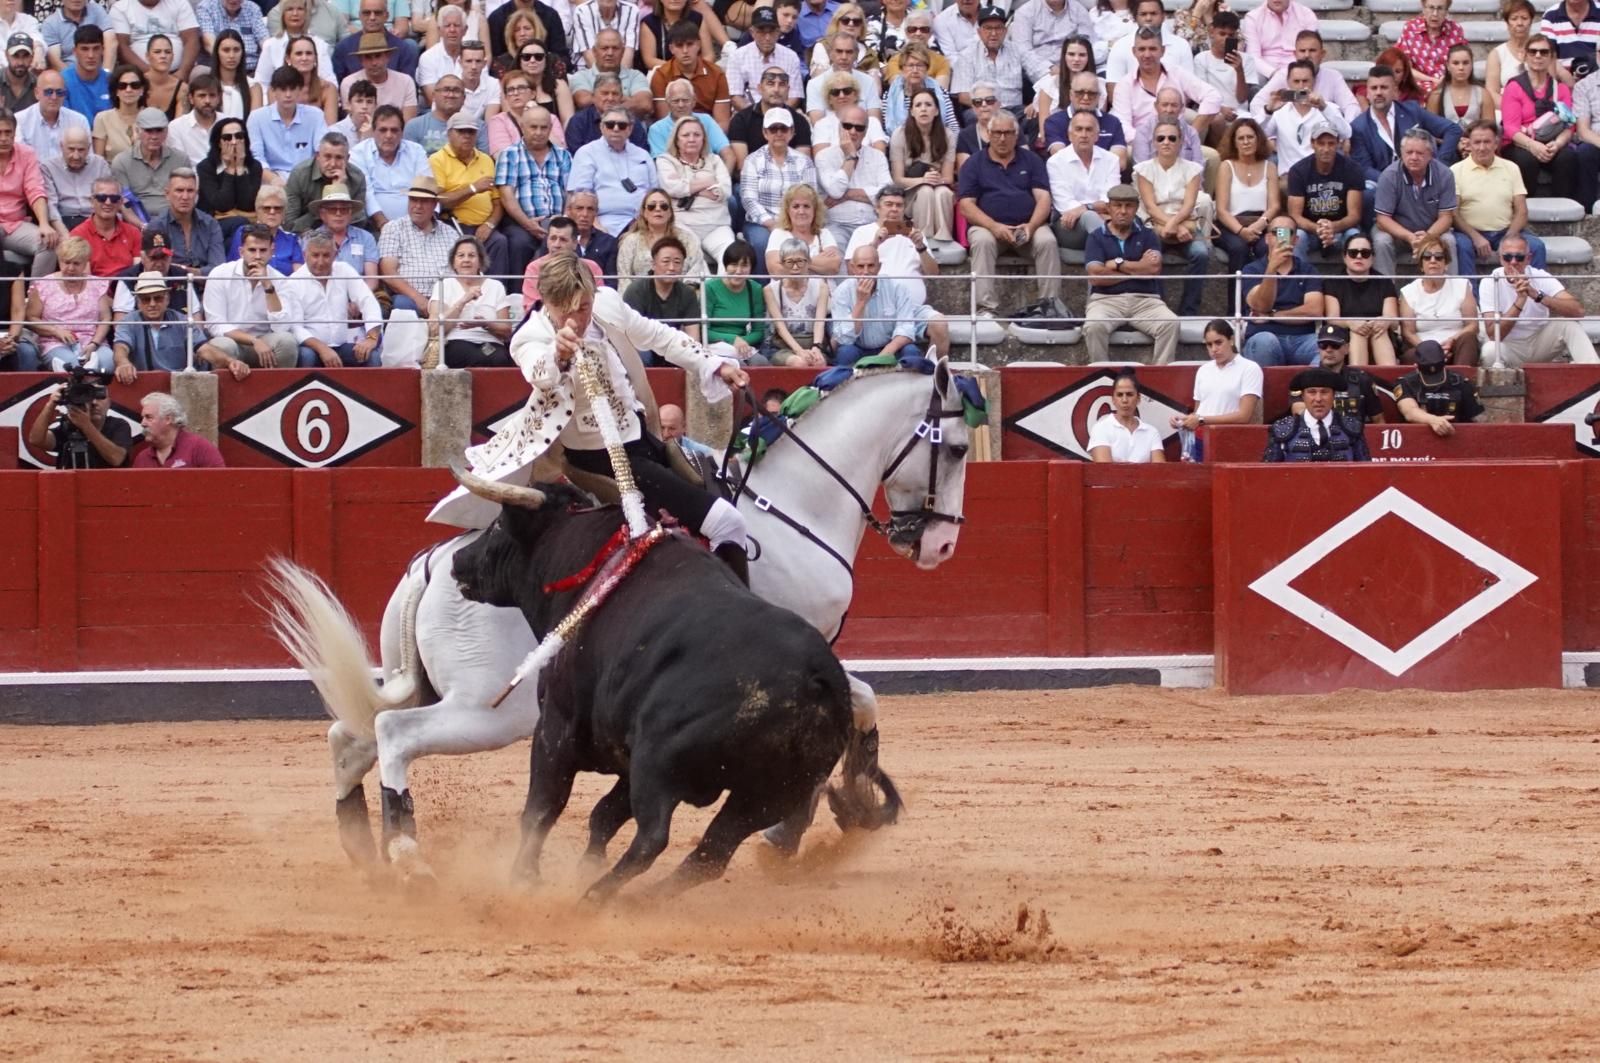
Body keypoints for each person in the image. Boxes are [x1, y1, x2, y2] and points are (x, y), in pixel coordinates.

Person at [439, 251, 752, 579]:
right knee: (728, 522)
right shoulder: (530, 337)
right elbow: (541, 374)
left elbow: (657, 335)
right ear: (547, 302)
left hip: (644, 438)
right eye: (566, 310)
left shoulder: (607, 303)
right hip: (600, 460)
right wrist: (557, 354)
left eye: (585, 306)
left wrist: (715, 363)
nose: (579, 317)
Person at [957, 110, 1061, 320]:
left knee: (1047, 240)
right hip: (989, 228)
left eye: (1007, 133)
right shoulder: (974, 163)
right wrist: (994, 226)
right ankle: (986, 309)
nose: (1002, 138)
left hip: (1028, 227)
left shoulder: (1032, 160)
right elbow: (966, 205)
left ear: (1016, 135)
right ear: (988, 133)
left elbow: (1043, 199)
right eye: (997, 133)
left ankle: (1050, 306)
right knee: (982, 241)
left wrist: (1030, 227)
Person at [1080, 182, 1180, 363]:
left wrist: (1117, 264)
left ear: (1136, 208)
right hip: (1105, 301)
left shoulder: (1148, 235)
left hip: (1146, 301)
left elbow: (1153, 269)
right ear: (1109, 208)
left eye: (1129, 206)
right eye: (1118, 205)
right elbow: (1095, 277)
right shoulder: (1096, 236)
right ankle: (1101, 374)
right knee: (1094, 326)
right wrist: (1137, 269)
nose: (1123, 211)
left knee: (1170, 323)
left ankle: (1159, 378)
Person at [1479, 234, 1600, 368]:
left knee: (1569, 325)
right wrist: (1520, 301)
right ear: (1500, 258)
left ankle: (1594, 374)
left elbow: (1578, 311)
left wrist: (1537, 295)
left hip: (1539, 342)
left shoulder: (1540, 276)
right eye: (1508, 257)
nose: (1513, 262)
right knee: (1489, 350)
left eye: (1519, 257)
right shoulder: (1489, 282)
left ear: (1528, 258)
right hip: (1509, 346)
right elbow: (1494, 334)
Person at [1132, 118, 1210, 320]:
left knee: (1201, 253)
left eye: (1171, 138)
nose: (1166, 142)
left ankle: (1189, 311)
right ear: (1154, 142)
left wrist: (1175, 225)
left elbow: (1189, 204)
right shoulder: (1144, 169)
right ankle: (1160, 308)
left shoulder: (1192, 169)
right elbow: (1150, 206)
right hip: (1154, 224)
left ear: (1181, 142)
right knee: (1152, 254)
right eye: (1161, 138)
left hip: (1185, 223)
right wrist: (1171, 224)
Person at [1350, 64, 1462, 200]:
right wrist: (1396, 183)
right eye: (1374, 88)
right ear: (1367, 93)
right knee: (1367, 195)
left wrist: (1440, 163)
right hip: (1386, 186)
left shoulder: (1412, 111)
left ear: (1395, 91)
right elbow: (1365, 168)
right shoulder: (1358, 127)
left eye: (1384, 87)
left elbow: (1453, 129)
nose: (1378, 92)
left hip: (1423, 178)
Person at [1452, 118, 1545, 276]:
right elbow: (1453, 213)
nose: (1482, 147)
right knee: (1462, 246)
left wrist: (1508, 238)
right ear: (1469, 144)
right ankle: (1471, 297)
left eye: (1487, 142)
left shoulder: (1511, 168)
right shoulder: (1455, 171)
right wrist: (1475, 237)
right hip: (1469, 233)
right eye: (1477, 142)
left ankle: (1536, 295)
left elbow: (1521, 211)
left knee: (1536, 246)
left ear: (1496, 143)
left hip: (1506, 231)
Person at [830, 242, 946, 365]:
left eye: (871, 266)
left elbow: (906, 329)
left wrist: (882, 356)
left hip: (890, 347)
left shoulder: (897, 288)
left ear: (879, 267)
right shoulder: (842, 292)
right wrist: (861, 302)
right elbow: (844, 339)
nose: (866, 271)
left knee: (911, 352)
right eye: (860, 266)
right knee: (844, 353)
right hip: (858, 347)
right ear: (852, 268)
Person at [202, 222, 298, 367]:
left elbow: (282, 327)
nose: (257, 256)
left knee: (287, 342)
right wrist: (253, 340)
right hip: (232, 340)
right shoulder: (219, 274)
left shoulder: (280, 280)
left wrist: (268, 286)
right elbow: (216, 325)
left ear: (272, 251)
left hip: (265, 341)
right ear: (241, 252)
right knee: (222, 346)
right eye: (252, 250)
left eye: (263, 250)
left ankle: (278, 388)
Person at [282, 231, 382, 368]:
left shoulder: (344, 269)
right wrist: (322, 348)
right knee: (307, 356)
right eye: (315, 255)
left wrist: (371, 339)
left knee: (372, 355)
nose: (321, 261)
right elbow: (295, 327)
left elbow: (368, 301)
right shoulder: (293, 282)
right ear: (305, 256)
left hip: (341, 346)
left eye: (326, 255)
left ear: (335, 255)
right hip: (311, 348)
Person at [1500, 33, 1580, 200]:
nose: (1538, 56)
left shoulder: (1561, 89)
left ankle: (1563, 207)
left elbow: (1570, 125)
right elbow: (1510, 127)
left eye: (1544, 52)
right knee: (1526, 160)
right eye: (1533, 51)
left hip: (1551, 142)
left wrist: (1557, 144)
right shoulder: (1514, 86)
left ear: (1551, 57)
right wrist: (1533, 145)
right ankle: (1525, 210)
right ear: (1525, 55)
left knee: (1567, 157)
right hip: (1521, 143)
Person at [1110, 27, 1221, 147]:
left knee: (1213, 157)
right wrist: (1156, 143)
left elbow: (1212, 96)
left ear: (1162, 51)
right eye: (1142, 49)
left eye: (1152, 49)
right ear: (1134, 52)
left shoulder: (1177, 73)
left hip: (1178, 144)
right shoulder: (1124, 85)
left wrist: (1192, 132)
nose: (1147, 54)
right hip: (1141, 146)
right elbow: (1123, 126)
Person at [495, 105, 571, 276]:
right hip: (520, 222)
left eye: (544, 127)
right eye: (533, 127)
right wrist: (528, 224)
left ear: (550, 129)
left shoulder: (563, 155)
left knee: (565, 239)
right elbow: (507, 196)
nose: (538, 132)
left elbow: (570, 193)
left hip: (557, 219)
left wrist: (563, 218)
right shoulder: (509, 154)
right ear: (522, 127)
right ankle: (520, 295)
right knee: (519, 242)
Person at [1170, 319, 1262, 459]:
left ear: (1231, 340)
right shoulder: (1203, 370)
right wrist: (1185, 420)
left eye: (1218, 342)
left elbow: (1244, 416)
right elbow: (1198, 412)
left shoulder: (1250, 368)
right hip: (1200, 439)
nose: (1214, 349)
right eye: (1209, 344)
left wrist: (1201, 420)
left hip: (1231, 440)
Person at [1373, 128, 1458, 277]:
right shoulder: (1389, 176)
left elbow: (1446, 217)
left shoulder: (1445, 174)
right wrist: (1410, 237)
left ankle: (1450, 290)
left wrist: (1427, 237)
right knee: (1381, 241)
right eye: (1409, 152)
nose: (1413, 157)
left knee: (1448, 240)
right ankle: (1385, 294)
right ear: (1401, 153)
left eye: (1420, 153)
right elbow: (1382, 220)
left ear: (1430, 155)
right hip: (1397, 233)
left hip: (1431, 231)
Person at [1240, 215, 1323, 367]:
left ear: (1296, 240)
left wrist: (1272, 315)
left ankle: (1311, 389)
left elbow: (1314, 310)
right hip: (1264, 335)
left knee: (1325, 348)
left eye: (1287, 233)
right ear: (1266, 238)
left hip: (1302, 338)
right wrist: (1271, 268)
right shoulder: (1252, 269)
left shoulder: (1308, 270)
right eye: (1277, 232)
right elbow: (1261, 305)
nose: (1281, 237)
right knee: (1265, 342)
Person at [656, 113, 735, 267]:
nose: (691, 139)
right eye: (686, 135)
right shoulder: (666, 160)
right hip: (683, 224)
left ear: (703, 139)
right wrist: (708, 182)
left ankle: (718, 291)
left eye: (697, 135)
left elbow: (724, 191)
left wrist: (689, 187)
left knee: (729, 255)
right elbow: (673, 188)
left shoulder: (715, 160)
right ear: (677, 140)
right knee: (695, 257)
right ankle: (702, 291)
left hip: (716, 224)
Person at [740, 107, 817, 262]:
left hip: (797, 220)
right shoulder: (753, 160)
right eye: (773, 129)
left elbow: (811, 197)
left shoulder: (804, 162)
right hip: (762, 223)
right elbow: (748, 199)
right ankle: (763, 286)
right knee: (761, 242)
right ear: (765, 133)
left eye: (783, 128)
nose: (779, 133)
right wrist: (771, 224)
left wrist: (794, 224)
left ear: (792, 132)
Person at [23, 235, 111, 371]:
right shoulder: (44, 284)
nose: (70, 268)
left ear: (86, 263)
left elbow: (105, 318)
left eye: (76, 263)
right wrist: (56, 331)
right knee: (71, 366)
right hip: (55, 341)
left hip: (92, 341)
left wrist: (94, 343)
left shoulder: (97, 284)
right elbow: (30, 318)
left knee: (107, 362)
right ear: (59, 261)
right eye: (66, 262)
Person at [570, 105, 655, 240]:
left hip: (642, 224)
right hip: (602, 224)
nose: (616, 129)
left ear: (630, 129)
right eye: (610, 125)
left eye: (622, 125)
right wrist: (596, 226)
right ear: (602, 127)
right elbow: (580, 196)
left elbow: (654, 193)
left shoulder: (643, 155)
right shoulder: (587, 153)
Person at [1286, 117, 1363, 263]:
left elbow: (1355, 215)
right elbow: (1294, 215)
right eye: (1321, 143)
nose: (1326, 149)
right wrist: (1318, 229)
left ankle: (1355, 283)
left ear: (1338, 144)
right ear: (1312, 144)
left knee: (1355, 236)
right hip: (1310, 231)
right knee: (1297, 237)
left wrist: (1333, 227)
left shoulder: (1353, 169)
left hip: (1342, 229)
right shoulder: (1298, 171)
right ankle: (1298, 281)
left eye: (1331, 143)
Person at [379, 175, 458, 316]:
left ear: (434, 204)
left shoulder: (450, 233)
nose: (418, 206)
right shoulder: (393, 228)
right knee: (402, 306)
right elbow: (389, 273)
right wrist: (418, 299)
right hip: (410, 298)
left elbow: (460, 271)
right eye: (413, 200)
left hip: (446, 298)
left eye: (424, 201)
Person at [843, 185, 937, 303]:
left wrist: (920, 246)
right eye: (889, 204)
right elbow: (851, 272)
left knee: (939, 322)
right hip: (876, 303)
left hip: (913, 305)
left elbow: (933, 274)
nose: (894, 209)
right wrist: (874, 244)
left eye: (899, 205)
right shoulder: (862, 232)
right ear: (877, 208)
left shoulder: (915, 233)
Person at [1249, 29, 1362, 126]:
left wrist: (1346, 132)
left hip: (1323, 138)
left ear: (1322, 54)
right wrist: (1272, 135)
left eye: (1312, 50)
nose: (1307, 55)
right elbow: (1256, 104)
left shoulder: (1333, 77)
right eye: (1302, 51)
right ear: (1295, 54)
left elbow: (1351, 107)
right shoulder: (1283, 75)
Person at [889, 85, 955, 249]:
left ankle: (944, 240)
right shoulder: (900, 134)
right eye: (918, 105)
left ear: (937, 111)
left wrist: (936, 179)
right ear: (911, 111)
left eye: (928, 105)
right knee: (925, 191)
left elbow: (949, 178)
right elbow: (897, 179)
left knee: (944, 193)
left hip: (937, 186)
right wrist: (923, 180)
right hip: (909, 193)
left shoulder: (947, 135)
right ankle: (923, 240)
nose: (923, 109)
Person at [1397, 233, 1479, 365]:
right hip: (1423, 348)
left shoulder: (1462, 285)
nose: (1433, 260)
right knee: (1410, 355)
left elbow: (1473, 325)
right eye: (1427, 257)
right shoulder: (1408, 292)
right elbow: (1408, 333)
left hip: (1455, 346)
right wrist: (1431, 351)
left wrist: (1452, 340)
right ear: (1421, 265)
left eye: (1439, 257)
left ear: (1446, 264)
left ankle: (1461, 383)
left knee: (1468, 339)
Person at [816, 103, 889, 247]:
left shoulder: (878, 156)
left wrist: (848, 194)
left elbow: (886, 193)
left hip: (871, 224)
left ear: (866, 131)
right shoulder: (824, 156)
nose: (853, 131)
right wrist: (850, 156)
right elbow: (836, 191)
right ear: (839, 127)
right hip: (837, 225)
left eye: (859, 128)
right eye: (847, 126)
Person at [1260, 60, 1351, 175]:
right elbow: (1258, 134)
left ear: (1314, 81)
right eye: (1296, 81)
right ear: (1288, 82)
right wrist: (1268, 110)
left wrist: (1323, 107)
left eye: (1305, 81)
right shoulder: (1278, 111)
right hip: (1289, 176)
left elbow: (1346, 133)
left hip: (1320, 176)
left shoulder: (1329, 108)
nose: (1301, 86)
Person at [1262, 367, 1371, 462]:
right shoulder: (1282, 429)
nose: (1318, 399)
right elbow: (1268, 475)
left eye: (1324, 392)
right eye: (1312, 392)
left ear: (1334, 395)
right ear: (1303, 396)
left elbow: (1366, 471)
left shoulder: (1352, 428)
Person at [1323, 233, 1400, 367]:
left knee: (1379, 331)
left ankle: (1390, 379)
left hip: (1380, 335)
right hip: (1346, 335)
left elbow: (1393, 321)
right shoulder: (1332, 282)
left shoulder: (1384, 282)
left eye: (1365, 253)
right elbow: (1332, 318)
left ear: (1372, 258)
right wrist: (1350, 323)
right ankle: (1357, 381)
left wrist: (1384, 320)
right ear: (1344, 256)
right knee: (1357, 332)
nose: (1359, 256)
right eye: (1353, 253)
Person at [1214, 117, 1278, 276]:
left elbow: (1275, 206)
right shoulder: (1226, 166)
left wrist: (1259, 225)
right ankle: (1236, 300)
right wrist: (1241, 231)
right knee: (1239, 247)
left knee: (1270, 245)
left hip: (1262, 223)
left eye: (1250, 137)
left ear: (1258, 140)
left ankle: (1269, 298)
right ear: (1234, 142)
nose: (1246, 142)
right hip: (1231, 225)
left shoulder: (1269, 167)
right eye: (1241, 138)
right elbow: (1221, 210)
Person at [1289, 324, 1385, 423]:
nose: (1328, 350)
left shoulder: (1362, 379)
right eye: (1323, 345)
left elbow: (1378, 420)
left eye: (1335, 345)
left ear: (1347, 348)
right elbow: (1299, 412)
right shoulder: (1305, 379)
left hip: (1355, 436)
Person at [247, 66, 327, 181]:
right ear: (273, 91)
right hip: (270, 180)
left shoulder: (315, 115)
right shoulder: (257, 118)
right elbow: (256, 158)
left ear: (300, 90)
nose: (288, 94)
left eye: (292, 89)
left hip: (307, 179)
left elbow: (321, 151)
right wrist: (274, 180)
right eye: (283, 89)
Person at [622, 234, 701, 351]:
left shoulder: (687, 293)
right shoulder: (636, 290)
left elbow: (693, 336)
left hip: (673, 345)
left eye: (677, 262)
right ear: (653, 264)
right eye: (666, 261)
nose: (672, 267)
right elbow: (632, 333)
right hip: (644, 345)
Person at [352, 104, 425, 228]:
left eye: (394, 130)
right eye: (383, 130)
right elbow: (367, 194)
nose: (389, 135)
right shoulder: (358, 152)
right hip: (374, 225)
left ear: (402, 132)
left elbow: (425, 188)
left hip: (415, 225)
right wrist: (384, 225)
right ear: (373, 131)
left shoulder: (416, 151)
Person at [25, 381, 130, 468]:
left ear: (109, 403)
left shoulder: (119, 425)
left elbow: (116, 459)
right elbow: (36, 440)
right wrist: (51, 404)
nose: (94, 402)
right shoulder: (69, 426)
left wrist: (86, 426)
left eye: (100, 397)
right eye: (89, 397)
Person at [0, 109, 55, 275]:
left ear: (15, 133)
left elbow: (35, 191)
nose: (3, 138)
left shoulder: (26, 154)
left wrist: (44, 224)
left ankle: (35, 297)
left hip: (15, 224)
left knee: (49, 244)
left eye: (8, 132)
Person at [649, 21, 731, 127]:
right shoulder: (661, 75)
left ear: (699, 45)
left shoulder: (717, 74)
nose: (685, 51)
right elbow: (664, 121)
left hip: (709, 131)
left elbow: (722, 122)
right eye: (679, 45)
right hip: (673, 133)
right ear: (671, 49)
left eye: (690, 44)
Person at [1392, 338, 1482, 436]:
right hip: (1417, 438)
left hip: (1456, 436)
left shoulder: (1460, 382)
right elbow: (1409, 411)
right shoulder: (1405, 382)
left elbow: (1477, 418)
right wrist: (1433, 420)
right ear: (1416, 365)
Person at [728, 64, 813, 167]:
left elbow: (803, 163)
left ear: (788, 90)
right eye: (770, 83)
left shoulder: (799, 121)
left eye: (782, 84)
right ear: (760, 88)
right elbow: (742, 166)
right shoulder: (741, 120)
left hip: (792, 178)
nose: (776, 89)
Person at [617, 188, 707, 285]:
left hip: (680, 295)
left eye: (664, 206)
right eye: (652, 206)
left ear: (670, 213)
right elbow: (624, 278)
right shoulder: (631, 241)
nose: (658, 209)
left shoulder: (687, 239)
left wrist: (684, 295)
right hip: (638, 297)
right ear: (644, 213)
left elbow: (695, 271)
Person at [283, 129, 366, 234]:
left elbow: (360, 220)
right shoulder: (300, 175)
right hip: (306, 235)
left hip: (344, 237)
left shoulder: (357, 178)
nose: (332, 164)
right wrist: (324, 210)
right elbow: (290, 224)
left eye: (339, 158)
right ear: (318, 156)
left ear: (347, 158)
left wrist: (340, 191)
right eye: (327, 157)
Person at [762, 236, 829, 366]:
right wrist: (799, 351)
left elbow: (820, 322)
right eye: (789, 262)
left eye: (800, 261)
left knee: (818, 362)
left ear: (809, 262)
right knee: (800, 363)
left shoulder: (821, 286)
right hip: (783, 347)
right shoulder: (770, 290)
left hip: (813, 342)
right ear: (782, 264)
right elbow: (780, 328)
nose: (795, 267)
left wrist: (816, 347)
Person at [147, 166, 225, 274]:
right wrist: (198, 273)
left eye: (190, 191)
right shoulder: (156, 227)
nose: (185, 196)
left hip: (207, 288)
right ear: (167, 194)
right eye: (179, 190)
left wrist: (186, 271)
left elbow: (219, 269)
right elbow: (157, 269)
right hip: (170, 288)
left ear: (196, 195)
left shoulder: (210, 224)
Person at [1192, 12, 1256, 143]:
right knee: (1217, 120)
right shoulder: (1201, 59)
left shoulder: (1247, 60)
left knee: (1250, 125)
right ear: (1212, 32)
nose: (1226, 38)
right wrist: (1221, 108)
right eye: (1222, 34)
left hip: (1239, 112)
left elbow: (1242, 98)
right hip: (1213, 110)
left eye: (1231, 35)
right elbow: (1200, 94)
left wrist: (1239, 70)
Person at [521, 214, 605, 310]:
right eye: (553, 238)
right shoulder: (535, 268)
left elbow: (600, 303)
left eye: (563, 240)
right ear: (547, 241)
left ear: (575, 244)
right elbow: (532, 307)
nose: (556, 245)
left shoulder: (592, 267)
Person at [302, 181, 377, 289]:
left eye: (344, 209)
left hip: (359, 293)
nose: (338, 214)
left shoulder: (366, 238)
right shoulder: (309, 239)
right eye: (333, 209)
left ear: (350, 214)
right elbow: (308, 277)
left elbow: (372, 279)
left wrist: (357, 301)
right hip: (321, 294)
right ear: (322, 214)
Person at [197, 115, 262, 238]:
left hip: (245, 224)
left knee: (243, 227)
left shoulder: (254, 166)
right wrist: (231, 169)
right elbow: (222, 204)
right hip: (212, 226)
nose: (234, 141)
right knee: (241, 224)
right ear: (219, 143)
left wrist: (240, 166)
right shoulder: (206, 167)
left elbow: (247, 204)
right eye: (227, 138)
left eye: (239, 136)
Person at [648, 76, 735, 167]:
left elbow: (729, 155)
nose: (681, 105)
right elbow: (661, 165)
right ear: (667, 103)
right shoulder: (657, 129)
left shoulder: (706, 120)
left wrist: (724, 179)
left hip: (710, 175)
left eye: (685, 100)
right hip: (675, 178)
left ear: (694, 101)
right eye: (675, 101)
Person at [1103, 0, 1194, 85]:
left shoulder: (1181, 45)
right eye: (1143, 14)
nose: (1148, 18)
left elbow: (1189, 85)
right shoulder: (1120, 46)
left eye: (1153, 14)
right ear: (1135, 17)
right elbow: (1113, 86)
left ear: (1163, 17)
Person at [727, 6, 802, 109]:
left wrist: (777, 115)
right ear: (752, 32)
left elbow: (795, 96)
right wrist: (755, 116)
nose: (767, 37)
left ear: (778, 32)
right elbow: (735, 96)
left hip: (782, 113)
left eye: (771, 31)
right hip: (747, 114)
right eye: (761, 31)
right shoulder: (737, 56)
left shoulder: (791, 57)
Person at [570, 30, 654, 119]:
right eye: (604, 48)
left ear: (623, 51)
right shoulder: (581, 76)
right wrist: (626, 100)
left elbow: (645, 105)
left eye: (615, 48)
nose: (610, 53)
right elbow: (583, 102)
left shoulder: (635, 76)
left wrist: (602, 100)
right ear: (594, 51)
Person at [704, 240, 767, 360]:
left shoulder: (755, 289)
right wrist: (732, 339)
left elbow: (758, 331)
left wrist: (742, 341)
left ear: (751, 268)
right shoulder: (710, 287)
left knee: (761, 362)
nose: (738, 271)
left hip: (741, 344)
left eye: (744, 266)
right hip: (714, 344)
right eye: (733, 264)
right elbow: (703, 331)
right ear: (725, 266)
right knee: (736, 366)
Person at [42, 127, 111, 236]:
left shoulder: (100, 165)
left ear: (88, 148)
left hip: (95, 220)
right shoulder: (49, 167)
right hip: (64, 220)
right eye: (71, 149)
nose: (76, 156)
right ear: (61, 146)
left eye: (81, 150)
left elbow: (109, 200)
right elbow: (51, 207)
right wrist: (66, 236)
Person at [1088, 369, 1166, 463]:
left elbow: (1160, 471)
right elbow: (1105, 470)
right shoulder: (1101, 428)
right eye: (1120, 395)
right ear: (1113, 399)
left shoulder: (1152, 432)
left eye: (1129, 394)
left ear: (1138, 398)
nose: (1124, 400)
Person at [764, 182, 839, 278]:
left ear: (815, 210)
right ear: (788, 210)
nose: (801, 211)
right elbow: (775, 270)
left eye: (806, 206)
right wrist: (815, 262)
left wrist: (791, 261)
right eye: (796, 206)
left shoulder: (824, 233)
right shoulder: (778, 234)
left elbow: (834, 266)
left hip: (822, 291)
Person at [133, 391, 226, 468]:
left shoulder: (200, 448)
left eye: (149, 417)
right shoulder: (142, 458)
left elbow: (221, 484)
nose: (143, 423)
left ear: (168, 419)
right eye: (143, 418)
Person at [331, 0, 419, 82]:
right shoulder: (343, 49)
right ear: (360, 15)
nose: (372, 17)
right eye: (366, 13)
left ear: (387, 16)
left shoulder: (403, 49)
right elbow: (338, 90)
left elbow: (408, 87)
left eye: (378, 13)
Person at [110, 0, 199, 80]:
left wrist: (183, 72)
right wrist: (152, 75)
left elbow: (192, 40)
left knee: (202, 74)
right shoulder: (121, 7)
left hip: (181, 73)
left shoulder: (180, 3)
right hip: (140, 74)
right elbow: (122, 46)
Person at [340, 31, 418, 122]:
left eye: (378, 56)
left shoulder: (406, 81)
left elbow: (408, 123)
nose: (374, 63)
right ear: (361, 60)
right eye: (368, 57)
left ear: (388, 57)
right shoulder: (349, 83)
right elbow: (355, 122)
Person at [70, 176, 139, 276]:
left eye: (114, 198)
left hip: (127, 288)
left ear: (120, 202)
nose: (108, 202)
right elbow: (83, 279)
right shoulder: (78, 235)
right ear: (92, 201)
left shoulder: (133, 233)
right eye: (101, 198)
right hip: (94, 288)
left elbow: (138, 273)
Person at [226, 184, 301, 274]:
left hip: (284, 286)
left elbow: (299, 276)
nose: (272, 212)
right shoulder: (244, 233)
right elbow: (236, 269)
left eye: (278, 208)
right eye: (266, 208)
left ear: (284, 213)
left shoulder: (291, 239)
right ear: (257, 211)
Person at [16, 70, 87, 164]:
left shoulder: (79, 121)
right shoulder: (20, 121)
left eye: (59, 92)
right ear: (37, 93)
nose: (54, 97)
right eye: (48, 92)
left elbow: (88, 160)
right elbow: (20, 162)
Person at [1397, 0, 1466, 95]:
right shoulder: (1410, 28)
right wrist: (1432, 80)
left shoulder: (1455, 30)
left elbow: (1462, 62)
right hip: (1417, 84)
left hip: (1448, 83)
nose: (1435, 14)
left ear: (1446, 11)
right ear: (1424, 8)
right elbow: (1404, 67)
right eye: (1431, 7)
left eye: (1440, 8)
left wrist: (1447, 77)